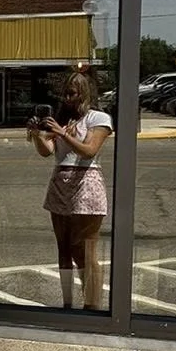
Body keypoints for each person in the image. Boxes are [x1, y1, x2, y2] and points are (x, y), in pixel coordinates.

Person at [27, 67, 113, 311]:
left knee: (85, 249)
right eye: (65, 94)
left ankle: (92, 304)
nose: (67, 99)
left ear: (84, 93)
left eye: (73, 94)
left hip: (86, 181)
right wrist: (37, 134)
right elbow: (47, 152)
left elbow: (89, 150)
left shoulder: (98, 119)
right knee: (64, 247)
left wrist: (62, 134)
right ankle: (67, 303)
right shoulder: (64, 119)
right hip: (60, 180)